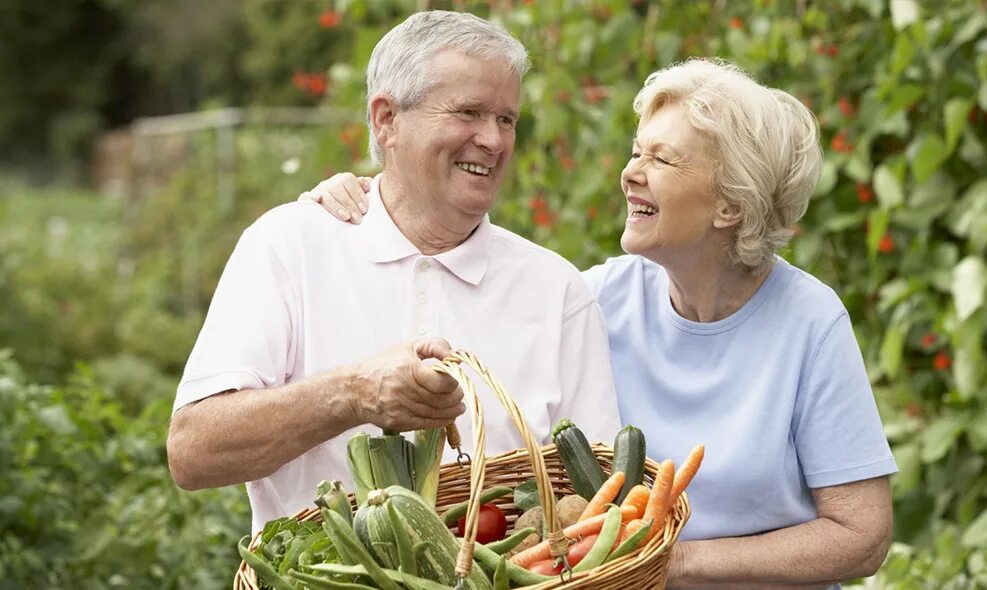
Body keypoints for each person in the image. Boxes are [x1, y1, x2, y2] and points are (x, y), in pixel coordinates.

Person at [303, 58, 898, 588]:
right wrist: (385, 199)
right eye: (637, 151)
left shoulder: (810, 322)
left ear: (732, 205)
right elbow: (476, 327)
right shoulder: (598, 295)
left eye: (661, 159)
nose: (630, 173)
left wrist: (672, 562)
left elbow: (861, 535)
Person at [167, 10, 622, 535]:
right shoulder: (288, 246)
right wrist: (353, 394)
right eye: (469, 112)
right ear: (387, 120)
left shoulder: (557, 291)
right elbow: (193, 452)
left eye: (506, 119)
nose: (494, 141)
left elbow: (597, 504)